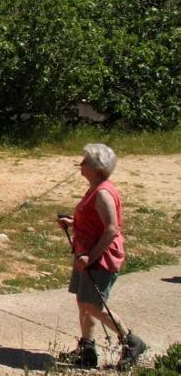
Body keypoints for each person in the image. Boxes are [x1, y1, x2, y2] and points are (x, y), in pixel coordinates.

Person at [56, 143, 147, 370]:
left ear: (97, 167)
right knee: (83, 301)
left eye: (85, 161)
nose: (81, 164)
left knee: (93, 304)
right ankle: (87, 349)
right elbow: (95, 222)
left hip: (99, 258)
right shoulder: (95, 188)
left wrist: (91, 257)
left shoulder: (103, 192)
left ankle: (131, 341)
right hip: (85, 254)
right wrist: (73, 223)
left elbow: (111, 229)